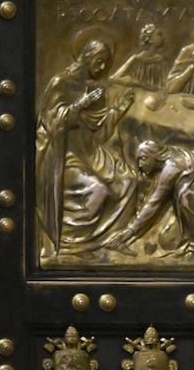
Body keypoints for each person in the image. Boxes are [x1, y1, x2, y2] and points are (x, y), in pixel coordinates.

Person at [35, 39, 137, 256]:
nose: (101, 69)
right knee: (97, 189)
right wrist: (81, 104)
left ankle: (113, 240)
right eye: (98, 62)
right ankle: (73, 242)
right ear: (86, 58)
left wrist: (120, 108)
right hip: (64, 153)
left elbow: (100, 130)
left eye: (105, 64)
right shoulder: (60, 83)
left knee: (129, 180)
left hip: (89, 151)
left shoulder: (97, 88)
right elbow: (50, 121)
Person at [102, 140, 194, 260]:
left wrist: (130, 231)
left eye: (143, 159)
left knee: (185, 196)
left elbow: (155, 202)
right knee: (167, 237)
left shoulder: (172, 167)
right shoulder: (173, 153)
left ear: (155, 156)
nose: (140, 165)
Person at [110, 23, 166, 90]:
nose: (162, 38)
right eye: (159, 35)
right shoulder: (136, 59)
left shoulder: (160, 60)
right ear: (149, 39)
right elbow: (115, 78)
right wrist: (141, 84)